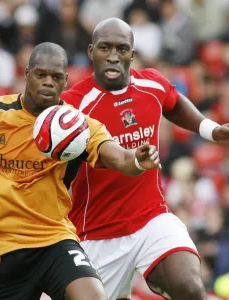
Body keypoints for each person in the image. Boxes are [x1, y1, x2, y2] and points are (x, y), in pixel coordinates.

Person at [0, 42, 161, 300]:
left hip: (55, 239)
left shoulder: (78, 127)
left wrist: (138, 159)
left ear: (65, 82)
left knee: (93, 296)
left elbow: (119, 158)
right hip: (2, 249)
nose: (48, 82)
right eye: (41, 75)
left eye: (56, 77)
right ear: (26, 74)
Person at [61, 18, 229, 300]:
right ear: (91, 52)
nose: (113, 56)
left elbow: (173, 103)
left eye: (121, 48)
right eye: (105, 48)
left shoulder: (151, 83)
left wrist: (209, 129)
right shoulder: (73, 104)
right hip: (97, 233)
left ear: (132, 54)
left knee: (189, 287)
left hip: (151, 219)